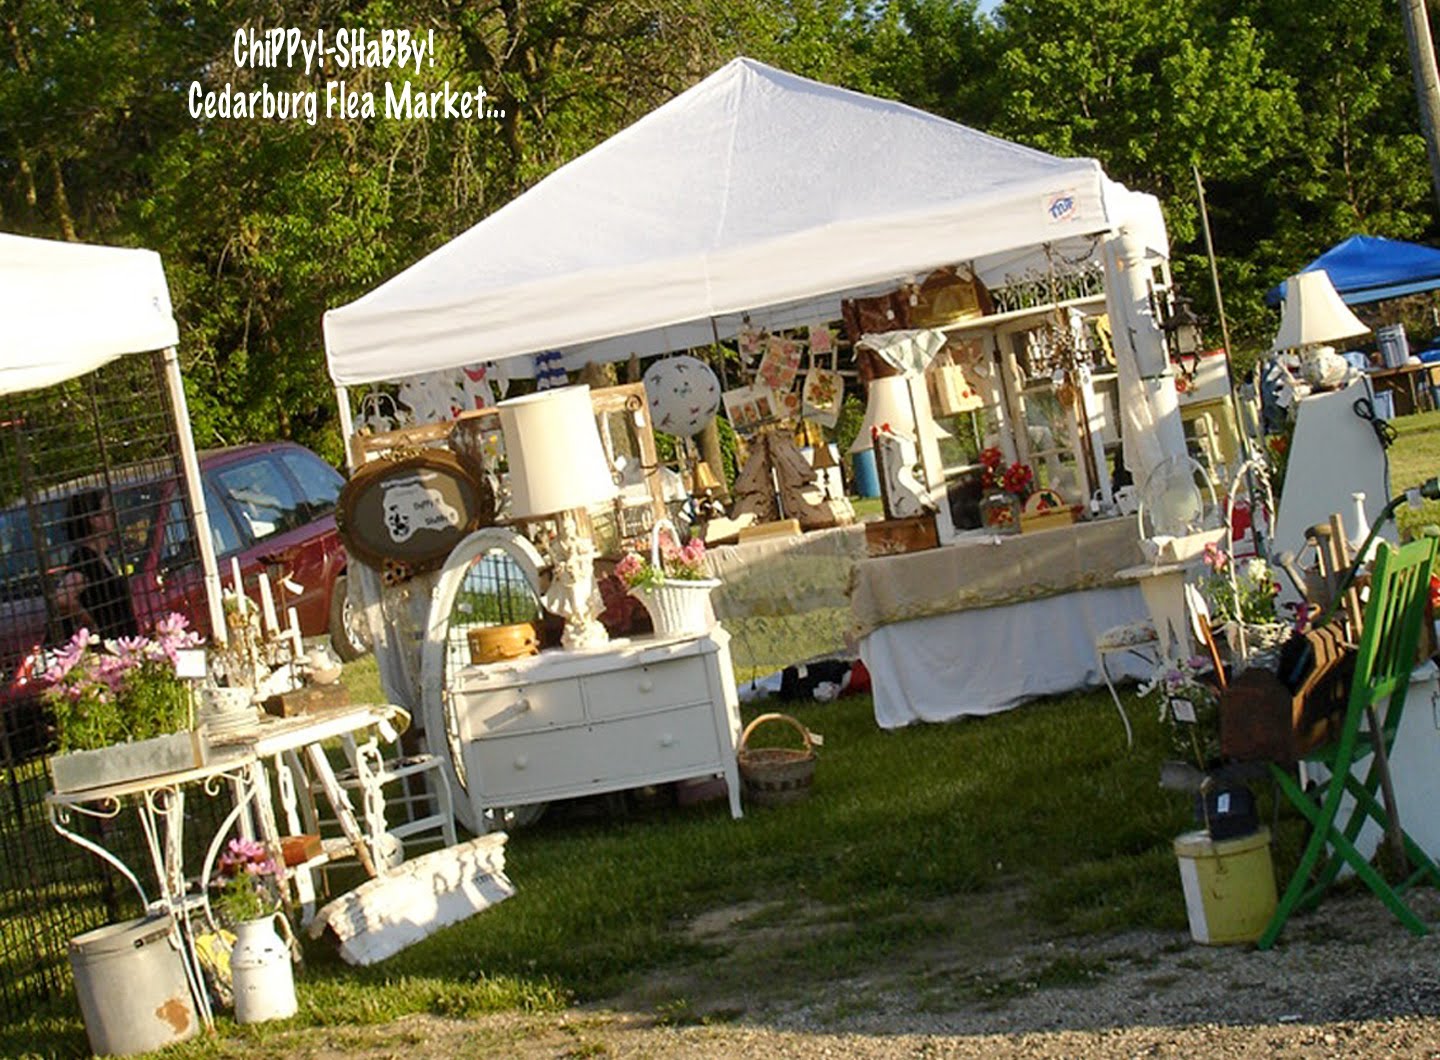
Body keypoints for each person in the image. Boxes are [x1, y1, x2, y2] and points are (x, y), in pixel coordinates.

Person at [56, 489, 138, 641]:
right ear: (94, 520)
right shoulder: (84, 559)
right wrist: (91, 623)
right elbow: (63, 598)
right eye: (108, 511)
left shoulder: (104, 554)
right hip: (106, 645)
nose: (115, 514)